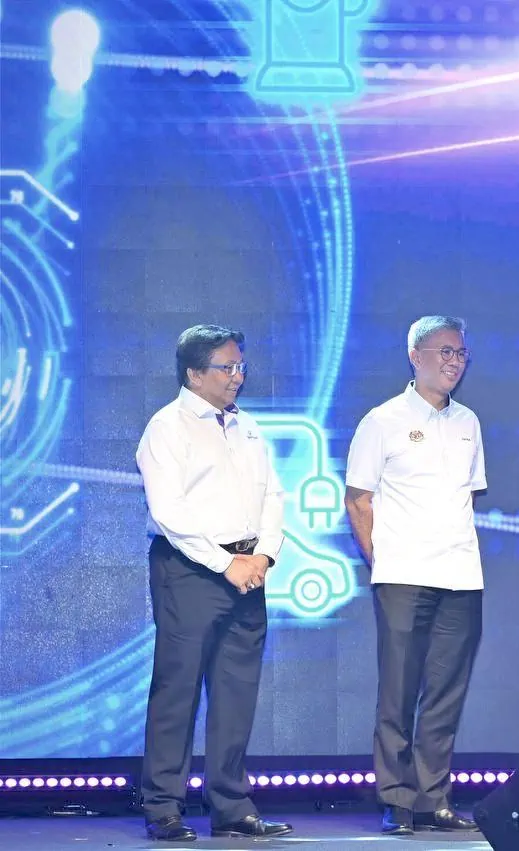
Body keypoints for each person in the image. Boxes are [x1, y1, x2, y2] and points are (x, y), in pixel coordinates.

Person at [135, 324, 292, 841]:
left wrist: (263, 554)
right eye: (227, 367)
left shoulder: (247, 427)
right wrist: (224, 563)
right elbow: (170, 512)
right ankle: (163, 807)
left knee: (236, 691)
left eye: (240, 366)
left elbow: (273, 495)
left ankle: (231, 806)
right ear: (194, 374)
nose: (238, 376)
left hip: (249, 571)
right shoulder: (168, 427)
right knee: (177, 689)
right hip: (191, 571)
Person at [345, 315, 486, 835]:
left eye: (460, 353)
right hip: (404, 574)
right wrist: (382, 561)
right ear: (415, 356)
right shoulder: (382, 420)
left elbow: (468, 496)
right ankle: (397, 800)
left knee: (446, 693)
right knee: (398, 692)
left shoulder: (468, 422)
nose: (454, 362)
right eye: (444, 352)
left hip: (462, 575)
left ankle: (434, 799)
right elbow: (358, 500)